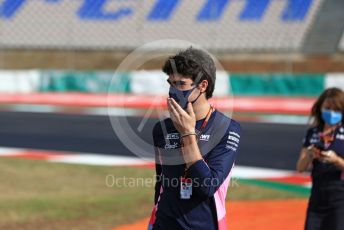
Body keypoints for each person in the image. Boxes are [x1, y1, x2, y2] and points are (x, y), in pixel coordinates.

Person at [148, 47, 241, 230]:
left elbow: (207, 186)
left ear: (202, 85)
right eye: (171, 83)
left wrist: (188, 134)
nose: (174, 91)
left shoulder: (227, 129)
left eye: (181, 84)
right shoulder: (162, 129)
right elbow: (161, 184)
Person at [296, 87, 344, 230]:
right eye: (327, 108)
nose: (332, 113)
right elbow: (300, 168)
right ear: (320, 107)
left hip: (340, 197)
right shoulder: (313, 132)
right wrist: (310, 154)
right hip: (317, 196)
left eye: (336, 109)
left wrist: (337, 160)